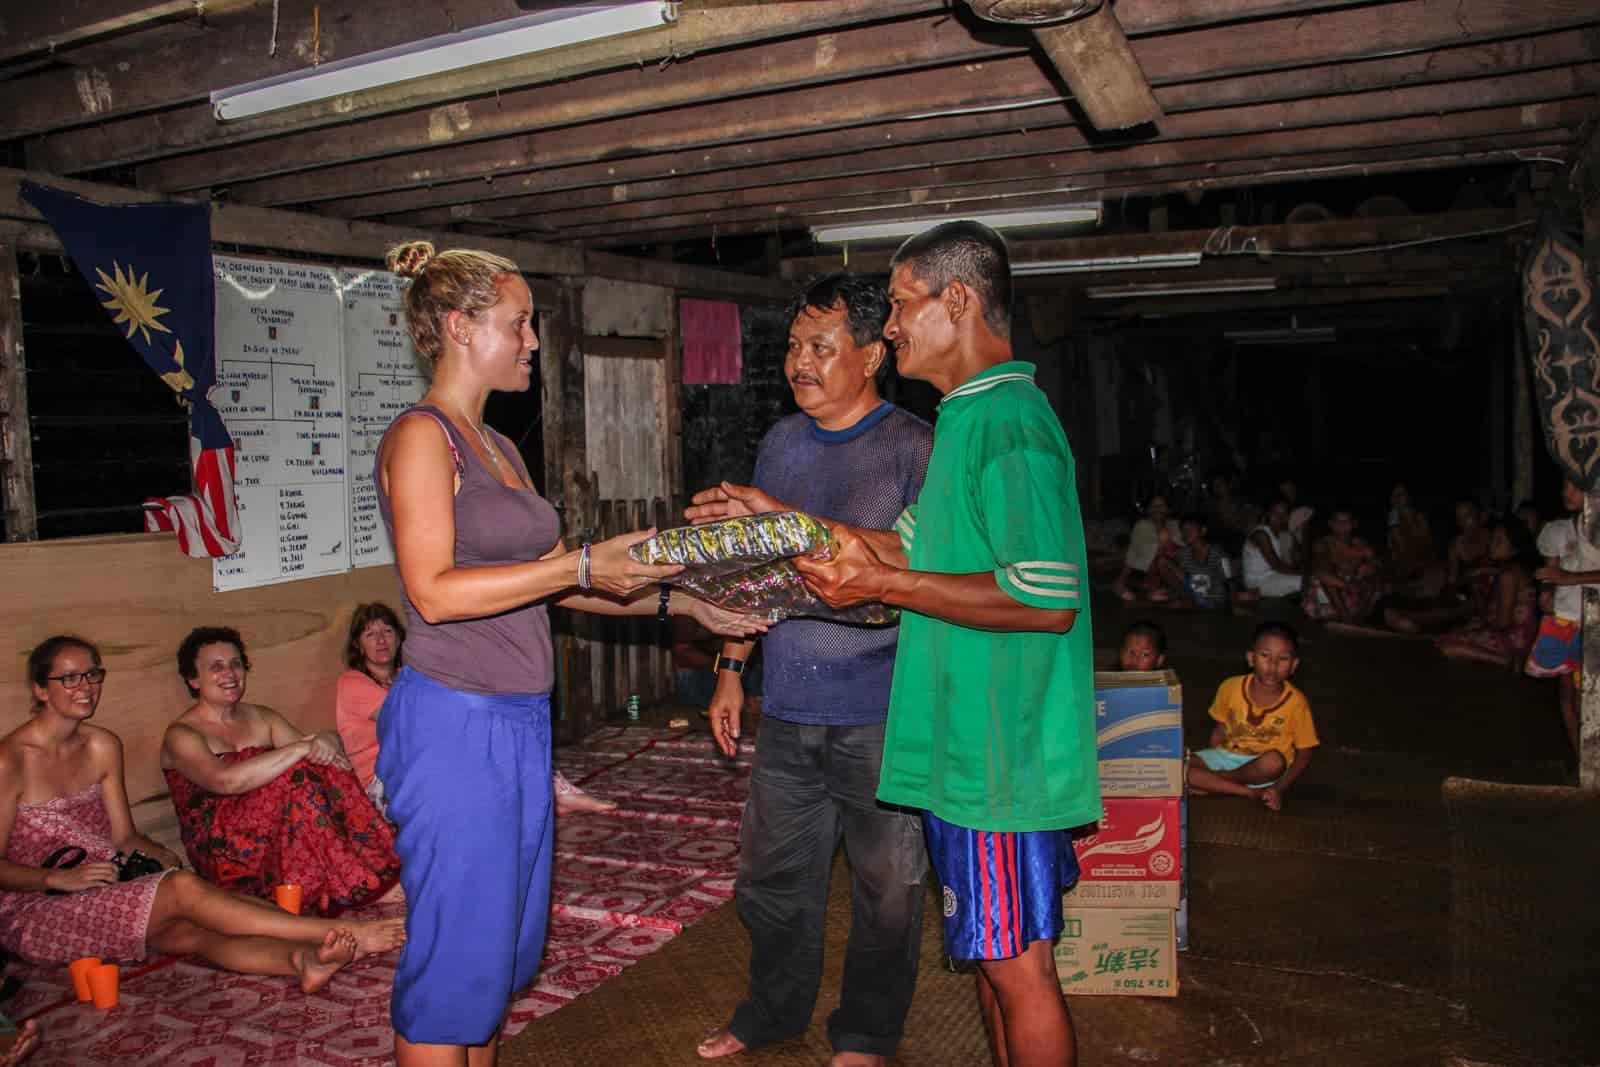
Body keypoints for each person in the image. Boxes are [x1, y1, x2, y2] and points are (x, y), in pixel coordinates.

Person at [374, 240, 763, 1067]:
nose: (532, 343)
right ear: (459, 327)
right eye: (519, 325)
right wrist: (583, 561)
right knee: (449, 969)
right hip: (454, 722)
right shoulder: (421, 438)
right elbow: (435, 591)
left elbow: (541, 585)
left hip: (515, 724)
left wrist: (687, 600)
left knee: (492, 962)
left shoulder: (498, 449)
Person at [793, 222, 1097, 1067]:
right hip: (966, 754)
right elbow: (905, 547)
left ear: (955, 299)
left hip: (996, 759)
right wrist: (782, 529)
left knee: (1018, 970)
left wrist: (879, 585)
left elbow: (1045, 598)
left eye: (897, 305)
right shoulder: (966, 421)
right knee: (994, 969)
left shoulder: (1010, 422)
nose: (888, 328)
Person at [685, 273, 932, 1067]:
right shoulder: (782, 445)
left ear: (871, 355)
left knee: (886, 890)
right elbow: (756, 572)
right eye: (793, 346)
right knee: (771, 882)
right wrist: (732, 665)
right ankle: (772, 1013)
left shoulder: (914, 447)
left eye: (820, 348)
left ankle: (865, 1033)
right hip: (789, 706)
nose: (799, 362)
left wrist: (776, 517)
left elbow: (915, 575)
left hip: (883, 711)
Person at [0, 635, 405, 994]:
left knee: (198, 933)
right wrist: (58, 878)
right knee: (185, 895)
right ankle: (348, 931)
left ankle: (303, 962)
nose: (85, 687)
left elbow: (123, 838)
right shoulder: (9, 760)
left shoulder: (102, 744)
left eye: (92, 675)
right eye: (69, 678)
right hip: (39, 906)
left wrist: (162, 857)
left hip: (106, 882)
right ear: (40, 688)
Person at [161, 626, 402, 916]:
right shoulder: (181, 734)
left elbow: (318, 758)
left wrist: (327, 739)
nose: (230, 674)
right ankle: (359, 884)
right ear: (193, 679)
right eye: (216, 667)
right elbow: (224, 782)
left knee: (327, 769)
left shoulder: (261, 716)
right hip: (224, 848)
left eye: (236, 664)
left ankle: (383, 866)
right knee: (296, 775)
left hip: (277, 831)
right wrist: (301, 748)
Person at [336, 602, 615, 814]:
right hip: (384, 783)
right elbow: (406, 722)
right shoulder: (353, 683)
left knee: (496, 733)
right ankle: (544, 797)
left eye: (387, 631)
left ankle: (547, 793)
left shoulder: (408, 675)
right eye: (370, 635)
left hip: (424, 763)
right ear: (359, 646)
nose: (381, 640)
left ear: (399, 638)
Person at [1187, 622, 1318, 813]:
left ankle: (1216, 782)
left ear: (1294, 665)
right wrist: (1209, 757)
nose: (1272, 665)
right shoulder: (1230, 687)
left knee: (1274, 761)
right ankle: (1246, 792)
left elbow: (1305, 754)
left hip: (1261, 769)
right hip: (1228, 755)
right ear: (1251, 658)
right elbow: (1220, 728)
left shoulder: (1297, 703)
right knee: (1178, 764)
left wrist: (1278, 789)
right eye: (1265, 656)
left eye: (1282, 659)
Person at [1528, 480, 1600, 757]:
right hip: (1566, 620)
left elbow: (1563, 576)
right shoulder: (1556, 531)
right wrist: (1546, 591)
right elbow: (1552, 573)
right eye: (1564, 486)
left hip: (1594, 621)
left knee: (1588, 696)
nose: (1565, 492)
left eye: (1574, 487)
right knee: (1569, 696)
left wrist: (1569, 578)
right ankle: (1584, 761)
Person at [1435, 519, 1541, 669]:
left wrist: (1477, 628)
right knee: (1456, 633)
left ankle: (1503, 660)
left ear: (1514, 548)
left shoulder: (1508, 574)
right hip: (1519, 633)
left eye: (1499, 541)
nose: (1492, 545)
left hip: (1516, 637)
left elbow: (1503, 623)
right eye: (1492, 539)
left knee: (1447, 644)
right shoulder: (1512, 569)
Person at [1302, 507, 1382, 623]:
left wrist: (1371, 567)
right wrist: (1346, 584)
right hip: (1327, 591)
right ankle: (1344, 614)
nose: (1342, 525)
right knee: (1323, 574)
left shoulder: (1362, 546)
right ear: (1331, 524)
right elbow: (1321, 569)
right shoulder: (1323, 543)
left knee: (1375, 579)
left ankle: (1353, 614)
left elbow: (1377, 566)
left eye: (1346, 521)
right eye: (1338, 521)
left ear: (1354, 524)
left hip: (1352, 592)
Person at [1151, 513, 1238, 611]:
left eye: (1191, 528)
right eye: (1183, 530)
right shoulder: (1182, 554)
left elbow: (1230, 581)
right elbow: (1167, 573)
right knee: (1163, 561)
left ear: (1203, 531)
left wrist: (1233, 606)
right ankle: (1182, 599)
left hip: (1213, 600)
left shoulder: (1218, 553)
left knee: (1181, 602)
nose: (1186, 532)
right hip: (1192, 595)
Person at [1112, 494, 1180, 602]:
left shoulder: (1175, 525)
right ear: (1148, 510)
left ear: (1168, 509)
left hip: (1169, 572)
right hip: (1144, 572)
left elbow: (1181, 552)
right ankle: (1151, 592)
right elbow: (1132, 553)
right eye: (1153, 506)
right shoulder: (1141, 526)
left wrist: (1166, 542)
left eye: (1161, 505)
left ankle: (1166, 592)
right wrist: (1121, 579)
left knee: (1163, 555)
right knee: (1121, 588)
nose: (1157, 509)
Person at [1241, 498, 1304, 598]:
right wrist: (1302, 572)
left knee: (1309, 579)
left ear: (1287, 517)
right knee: (1304, 581)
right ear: (1268, 514)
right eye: (1275, 513)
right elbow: (1276, 565)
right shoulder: (1261, 534)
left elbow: (1293, 561)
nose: (1279, 517)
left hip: (1272, 576)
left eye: (1283, 514)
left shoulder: (1281, 535)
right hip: (1257, 582)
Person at [1385, 483, 1435, 588]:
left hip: (1421, 563)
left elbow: (1427, 543)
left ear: (1408, 497)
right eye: (1395, 495)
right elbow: (1397, 547)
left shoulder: (1419, 517)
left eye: (1401, 494)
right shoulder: (1393, 519)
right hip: (1405, 567)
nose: (1397, 498)